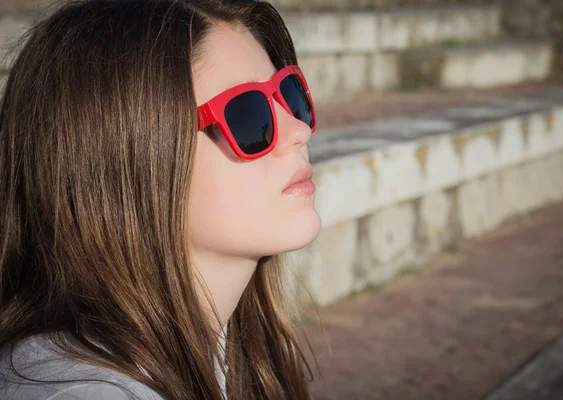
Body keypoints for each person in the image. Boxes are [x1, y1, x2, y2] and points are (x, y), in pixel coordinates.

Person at [0, 0, 322, 399]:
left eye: (288, 93)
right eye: (247, 112)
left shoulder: (222, 355)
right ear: (128, 159)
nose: (298, 131)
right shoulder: (81, 392)